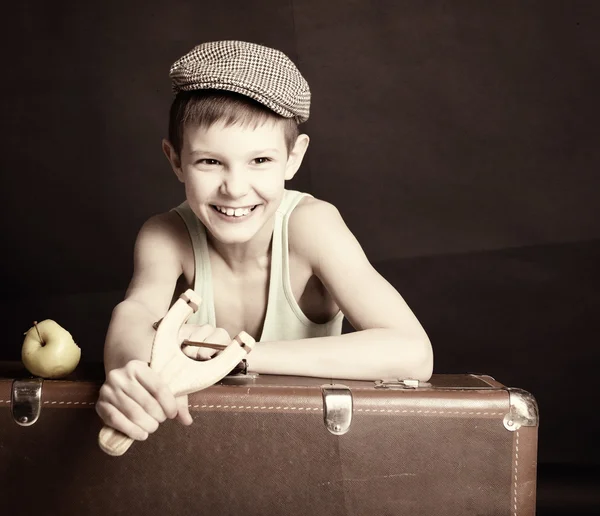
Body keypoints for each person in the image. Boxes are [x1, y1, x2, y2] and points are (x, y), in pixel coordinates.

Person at [96, 40, 433, 442]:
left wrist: (236, 357)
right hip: (202, 451)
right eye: (209, 161)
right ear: (175, 160)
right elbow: (132, 316)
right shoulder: (165, 235)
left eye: (260, 160)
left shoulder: (312, 226)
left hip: (311, 446)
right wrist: (131, 374)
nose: (235, 189)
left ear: (293, 158)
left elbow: (413, 352)